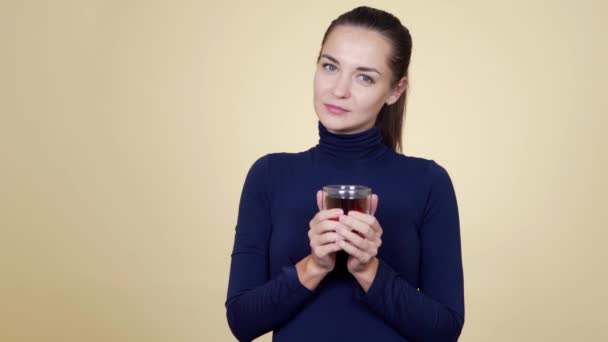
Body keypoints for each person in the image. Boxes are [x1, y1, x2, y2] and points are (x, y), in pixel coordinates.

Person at [225, 6, 464, 342]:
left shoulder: (428, 183)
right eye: (330, 66)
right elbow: (242, 321)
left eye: (364, 76)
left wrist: (369, 270)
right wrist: (315, 266)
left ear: (395, 90)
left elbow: (445, 331)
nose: (338, 89)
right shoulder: (269, 175)